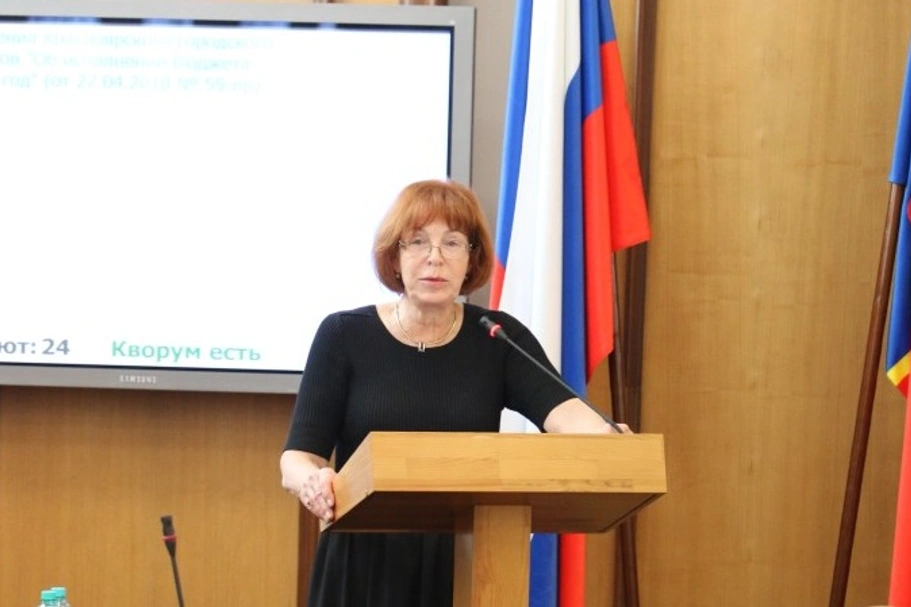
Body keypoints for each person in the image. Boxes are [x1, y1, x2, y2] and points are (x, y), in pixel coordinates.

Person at [280, 178, 627, 606]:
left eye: (452, 243)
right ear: (394, 257)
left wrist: (608, 439)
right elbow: (298, 458)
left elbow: (569, 417)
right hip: (362, 561)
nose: (435, 257)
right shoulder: (344, 335)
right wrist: (314, 482)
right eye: (418, 242)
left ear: (471, 260)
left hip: (466, 561)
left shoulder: (496, 337)